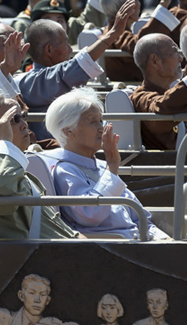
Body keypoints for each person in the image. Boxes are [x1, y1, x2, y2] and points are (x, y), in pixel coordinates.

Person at [47, 89, 169, 240]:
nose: (101, 128)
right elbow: (90, 215)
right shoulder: (65, 170)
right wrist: (112, 168)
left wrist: (163, 239)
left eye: (100, 120)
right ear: (68, 131)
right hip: (109, 251)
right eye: (93, 121)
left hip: (137, 244)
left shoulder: (100, 165)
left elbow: (140, 217)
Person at [0, 94, 78, 239]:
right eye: (14, 120)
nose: (24, 124)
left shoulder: (14, 168)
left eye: (23, 116)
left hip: (68, 250)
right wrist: (6, 142)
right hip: (46, 256)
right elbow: (2, 195)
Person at [18, 0, 133, 141]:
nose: (70, 49)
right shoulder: (39, 80)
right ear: (49, 49)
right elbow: (81, 63)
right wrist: (112, 34)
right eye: (65, 43)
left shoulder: (20, 80)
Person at [130, 33, 187, 150]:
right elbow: (159, 111)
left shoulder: (172, 90)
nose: (180, 58)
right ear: (155, 61)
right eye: (174, 52)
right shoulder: (140, 97)